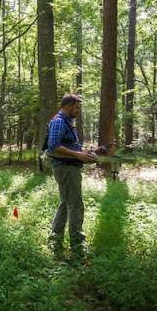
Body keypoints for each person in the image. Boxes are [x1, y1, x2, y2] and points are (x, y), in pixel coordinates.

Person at [46, 93, 98, 257]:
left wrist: (84, 154)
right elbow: (53, 146)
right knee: (75, 206)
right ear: (68, 106)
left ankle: (55, 239)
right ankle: (78, 247)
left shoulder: (66, 122)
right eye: (76, 108)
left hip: (69, 167)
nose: (78, 111)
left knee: (65, 204)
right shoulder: (59, 121)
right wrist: (78, 155)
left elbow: (68, 146)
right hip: (65, 169)